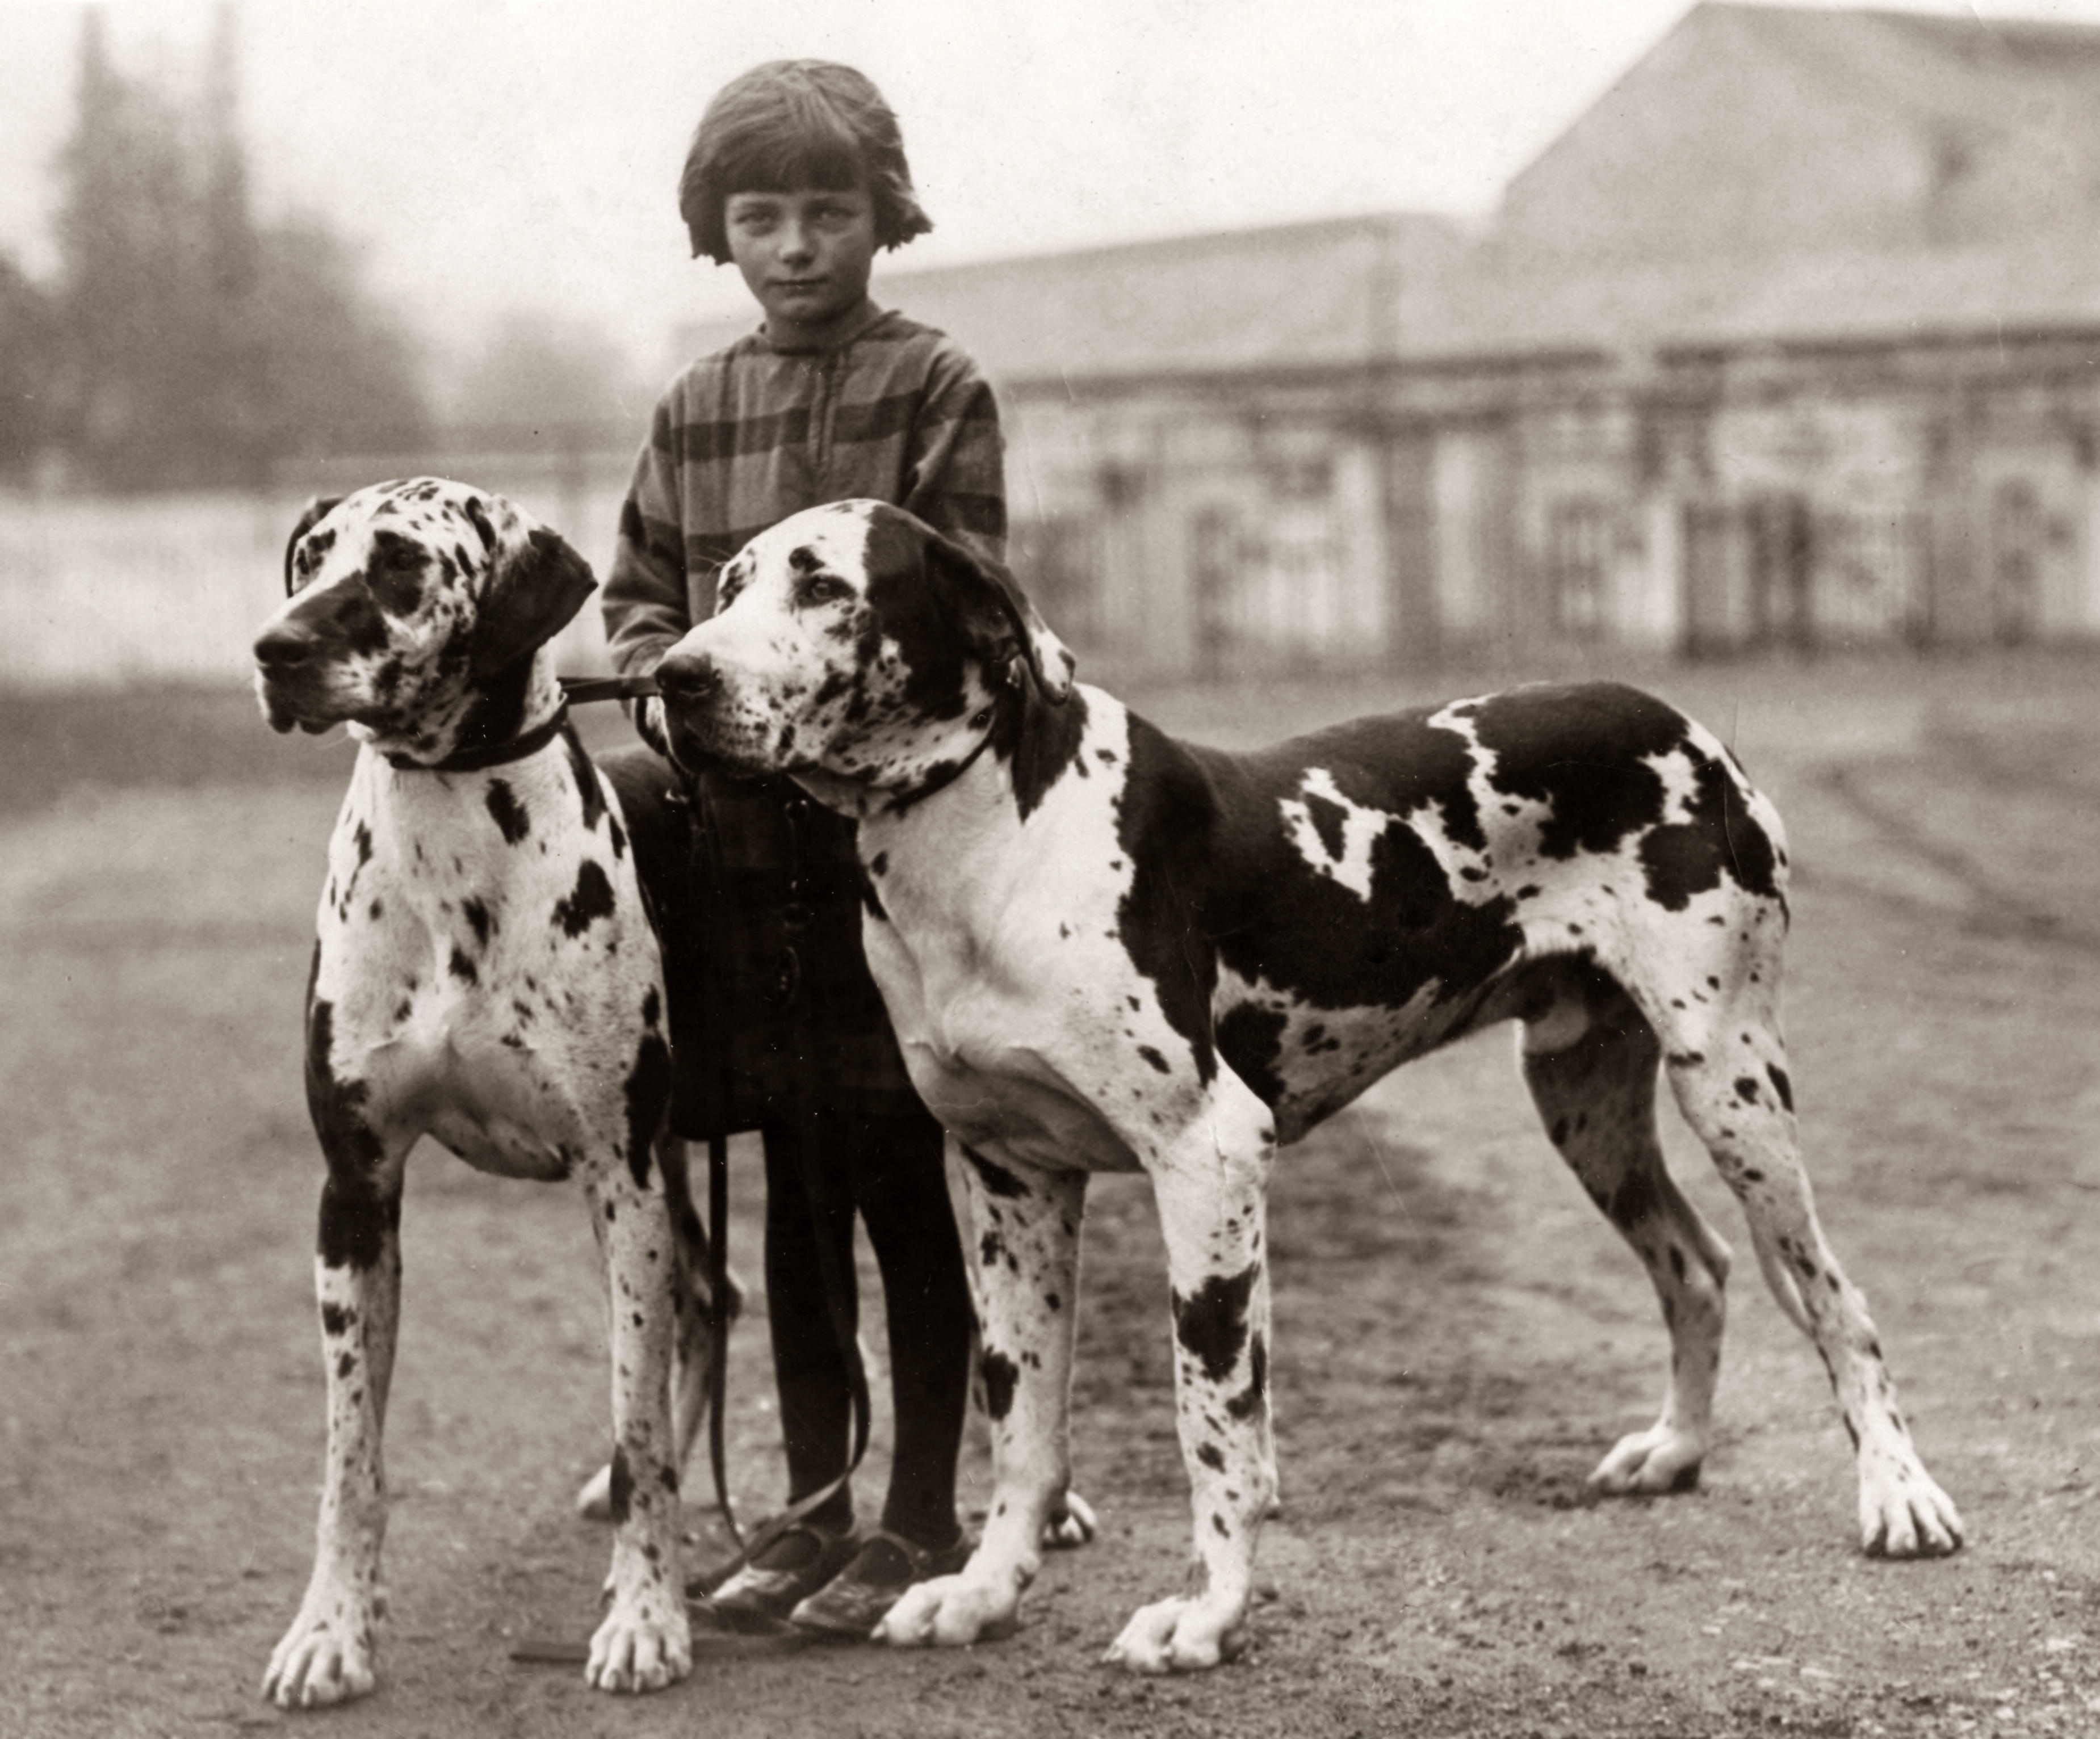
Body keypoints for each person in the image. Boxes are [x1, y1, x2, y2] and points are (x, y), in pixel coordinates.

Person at [596, 58, 1001, 1641]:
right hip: (733, 852)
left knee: (897, 1165)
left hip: (885, 851)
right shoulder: (695, 406)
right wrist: (662, 667)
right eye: (758, 215)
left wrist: (824, 712)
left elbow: (970, 608)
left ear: (879, 216)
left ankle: (918, 1514)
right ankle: (805, 1508)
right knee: (783, 1173)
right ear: (718, 228)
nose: (794, 245)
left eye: (826, 211)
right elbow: (636, 597)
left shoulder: (938, 383)